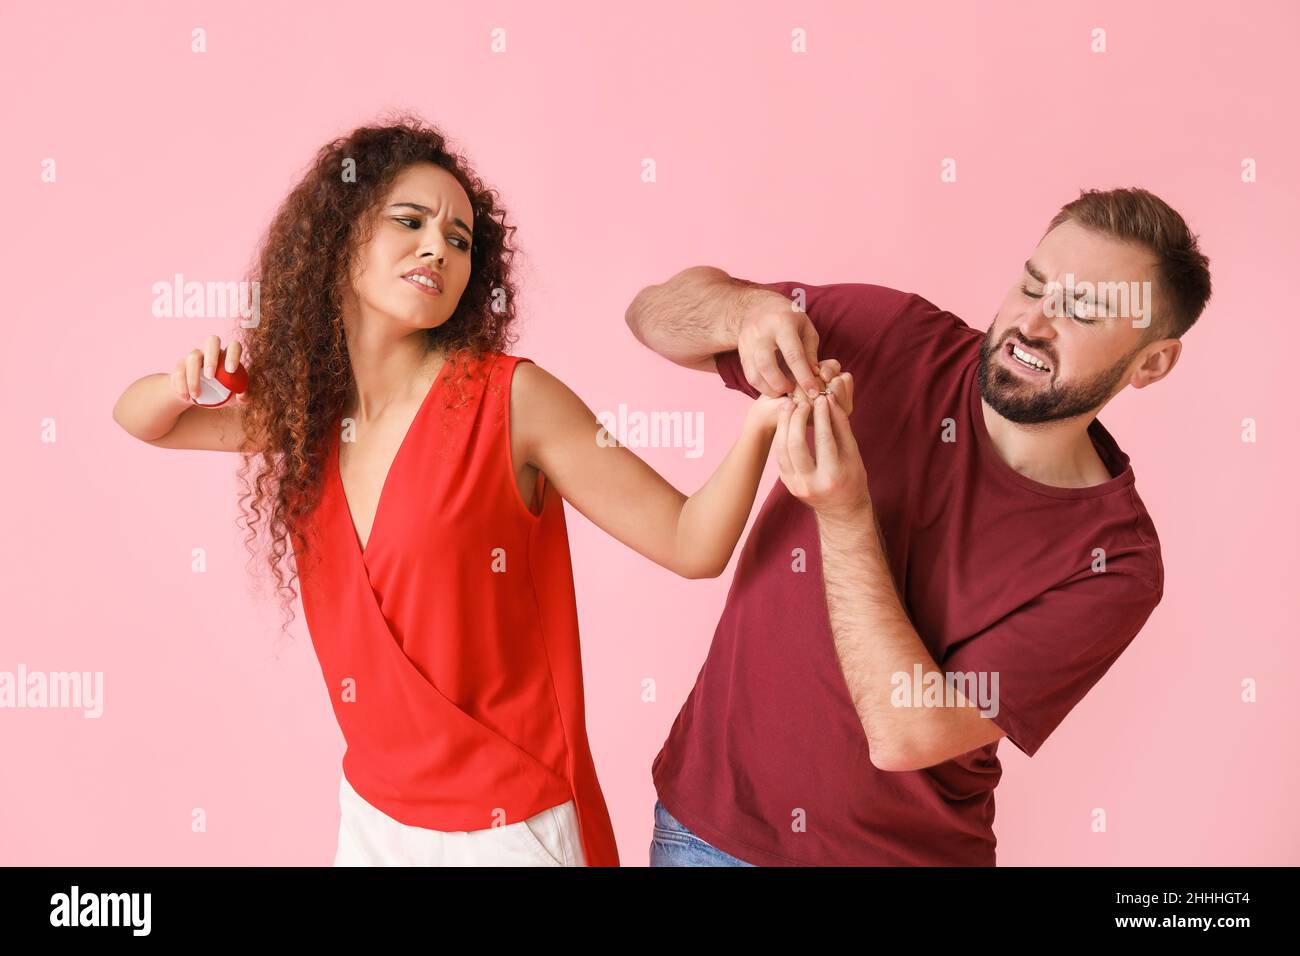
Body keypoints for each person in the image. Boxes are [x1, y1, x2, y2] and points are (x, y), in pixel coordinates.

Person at [111, 115, 853, 867]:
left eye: (460, 240)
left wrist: (765, 423)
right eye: (411, 221)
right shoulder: (310, 416)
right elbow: (143, 420)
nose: (438, 245)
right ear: (339, 239)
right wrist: (189, 380)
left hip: (507, 830)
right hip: (370, 818)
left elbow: (693, 541)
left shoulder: (513, 401)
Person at [625, 186, 1212, 865]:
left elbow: (907, 733)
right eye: (1033, 286)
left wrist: (844, 513)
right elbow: (653, 315)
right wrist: (751, 308)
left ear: (1152, 362)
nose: (1035, 325)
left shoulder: (1115, 562)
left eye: (1082, 310)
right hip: (709, 836)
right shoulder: (893, 335)